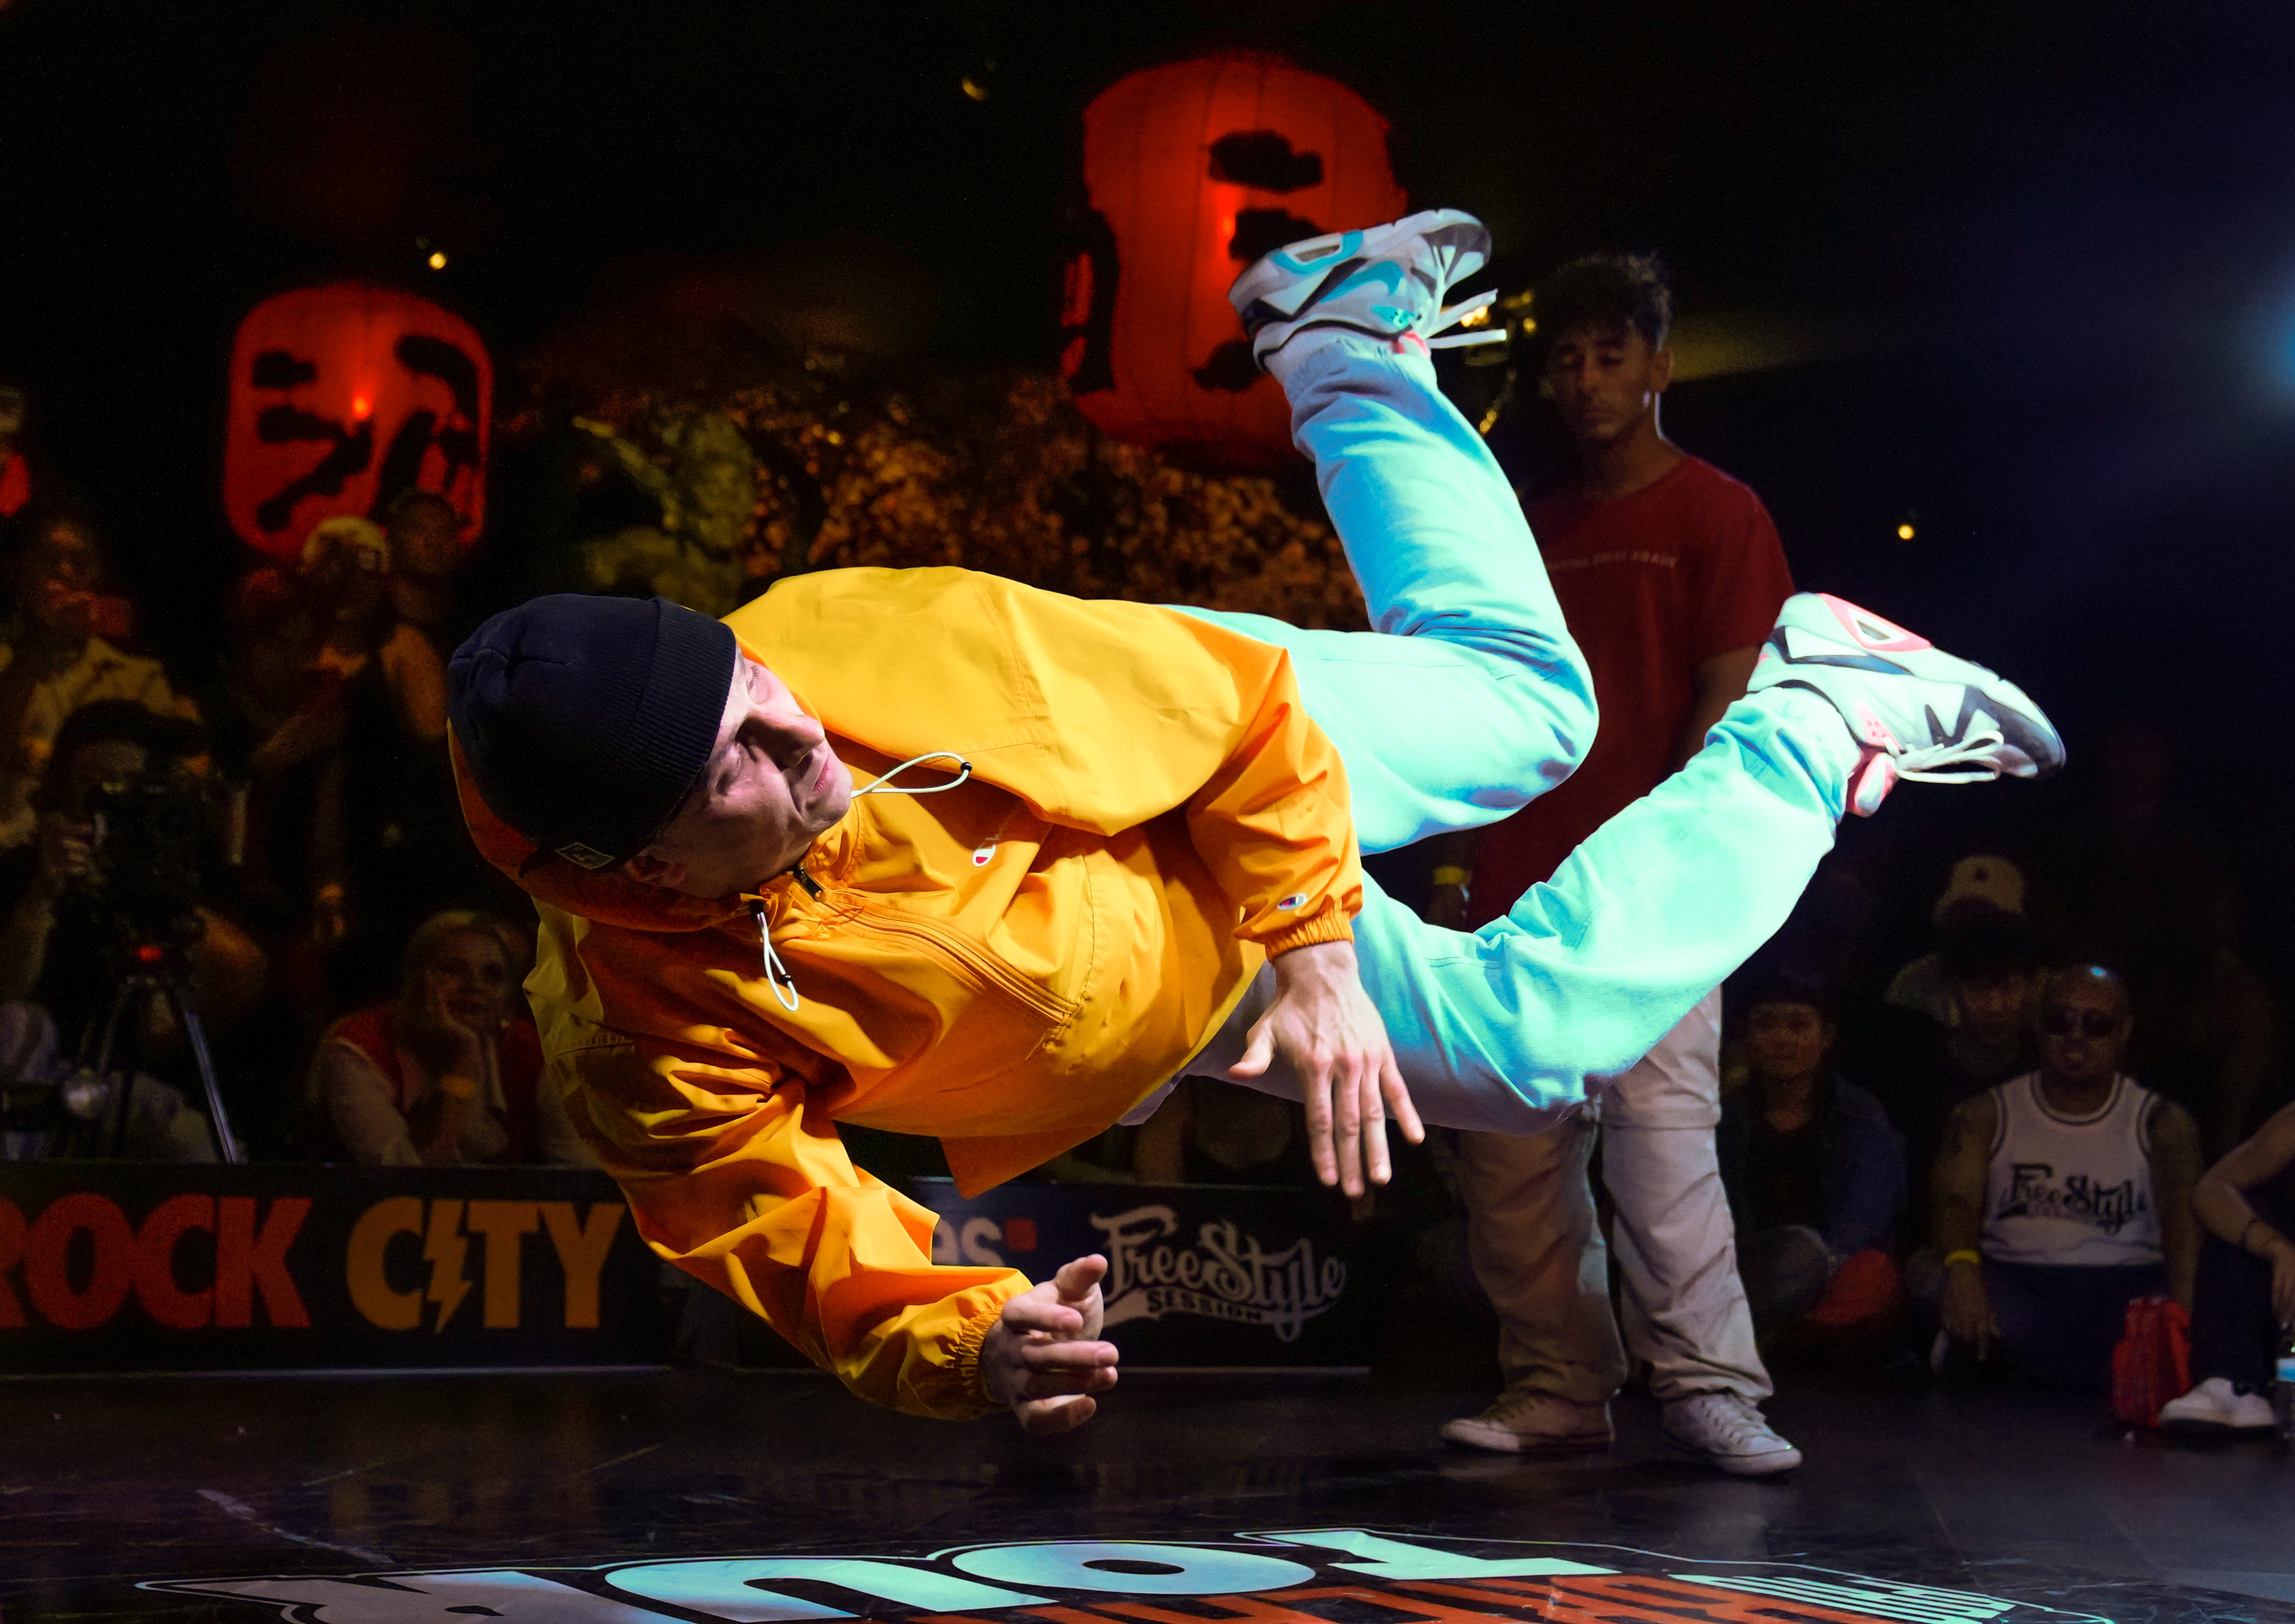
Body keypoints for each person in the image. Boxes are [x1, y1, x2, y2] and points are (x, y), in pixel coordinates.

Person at [445, 211, 2062, 1432]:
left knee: (1532, 712)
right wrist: (966, 1336)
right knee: (1532, 1053)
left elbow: (1233, 713)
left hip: (1194, 771)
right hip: (1171, 988)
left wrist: (1316, 948)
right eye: (739, 763)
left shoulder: (861, 647)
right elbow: (787, 1226)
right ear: (638, 868)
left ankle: (1345, 340)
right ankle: (1820, 715)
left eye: (755, 690)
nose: (797, 734)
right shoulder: (637, 1040)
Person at [1433, 253, 1803, 1472]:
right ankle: (1555, 1385)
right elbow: (1479, 702)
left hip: (1658, 897)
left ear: (1660, 365)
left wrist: (1675, 864)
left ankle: (1709, 1387)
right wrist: (1455, 872)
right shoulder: (1530, 524)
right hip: (1515, 889)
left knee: (1664, 1151)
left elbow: (1728, 698)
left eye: (1609, 354)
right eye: (1565, 358)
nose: (1586, 379)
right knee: (1510, 1165)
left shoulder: (1718, 511)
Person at [0, 701, 265, 1155]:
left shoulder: (159, 878)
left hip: (117, 1085)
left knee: (198, 1148)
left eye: (131, 786)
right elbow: (8, 992)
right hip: (30, 1081)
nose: (115, 802)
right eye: (100, 786)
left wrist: (159, 912)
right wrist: (43, 892)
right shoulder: (19, 871)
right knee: (25, 1022)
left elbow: (159, 1033)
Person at [1929, 964, 2200, 1390]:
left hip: (2123, 1288)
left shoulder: (2161, 1123)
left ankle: (2008, 1362)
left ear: (2123, 1031)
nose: (2076, 1036)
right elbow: (1955, 1203)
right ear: (2038, 1027)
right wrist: (1963, 1271)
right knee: (1927, 1277)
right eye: (2060, 1021)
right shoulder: (1985, 1114)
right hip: (2017, 1283)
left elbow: (2184, 1230)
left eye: (2096, 1024)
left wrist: (2187, 1331)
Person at [307, 908, 587, 1167]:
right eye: (452, 970)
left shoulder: (532, 1051)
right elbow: (401, 1177)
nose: (475, 986)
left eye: (493, 976)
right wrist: (463, 1065)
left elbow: (582, 1171)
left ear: (509, 1000)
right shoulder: (359, 1047)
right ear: (415, 980)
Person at [1717, 975, 1907, 1347]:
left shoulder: (1858, 1115)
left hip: (1835, 1270)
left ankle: (1771, 1338)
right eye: (1766, 1026)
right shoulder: (1725, 1116)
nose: (1782, 1039)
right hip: (1746, 1266)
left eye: (1798, 1026)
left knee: (1862, 1273)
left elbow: (1866, 1216)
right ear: (1747, 1038)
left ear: (1825, 1037)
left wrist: (1824, 1264)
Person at [0, 500, 188, 848]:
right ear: (15, 569)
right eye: (49, 559)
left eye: (80, 562)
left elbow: (163, 782)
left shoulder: (139, 679)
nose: (65, 572)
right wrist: (31, 658)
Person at [1869, 903, 2043, 1237]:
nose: (1995, 1006)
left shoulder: (2045, 1071)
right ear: (1953, 991)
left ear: (2030, 990)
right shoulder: (1914, 1070)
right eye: (1979, 990)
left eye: (2008, 988)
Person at [2155, 1100, 2295, 1430]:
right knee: (2242, 1217)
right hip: (2282, 1322)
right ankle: (2231, 1381)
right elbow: (2211, 1190)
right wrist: (2279, 1250)